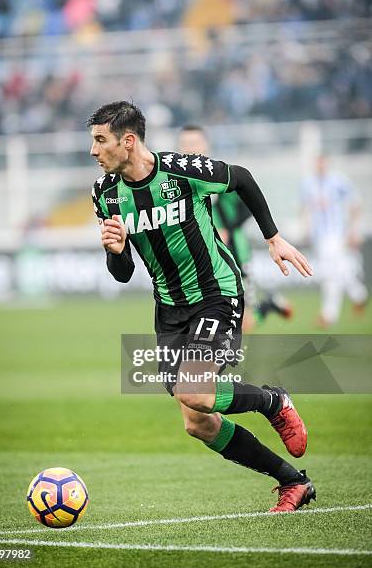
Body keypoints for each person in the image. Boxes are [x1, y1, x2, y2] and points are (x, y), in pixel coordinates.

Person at [89, 100, 315, 513]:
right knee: (198, 422)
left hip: (216, 292)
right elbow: (121, 272)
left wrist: (273, 237)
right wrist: (116, 252)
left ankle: (273, 402)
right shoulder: (104, 193)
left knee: (196, 391)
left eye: (100, 140)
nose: (93, 150)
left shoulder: (180, 169)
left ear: (128, 140)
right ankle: (293, 482)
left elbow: (242, 179)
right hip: (169, 308)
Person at [178, 124, 293, 330]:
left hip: (235, 253)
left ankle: (267, 306)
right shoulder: (176, 182)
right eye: (185, 144)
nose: (190, 149)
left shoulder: (221, 175)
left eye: (194, 143)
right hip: (202, 261)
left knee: (243, 322)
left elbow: (249, 205)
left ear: (206, 145)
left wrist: (228, 229)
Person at [301, 154, 368, 327]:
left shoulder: (338, 181)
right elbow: (305, 208)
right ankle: (359, 294)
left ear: (327, 163)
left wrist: (354, 230)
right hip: (319, 235)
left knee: (330, 274)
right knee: (339, 269)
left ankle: (329, 315)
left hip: (335, 233)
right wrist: (307, 230)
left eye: (323, 162)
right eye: (318, 163)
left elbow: (355, 203)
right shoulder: (308, 183)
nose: (320, 166)